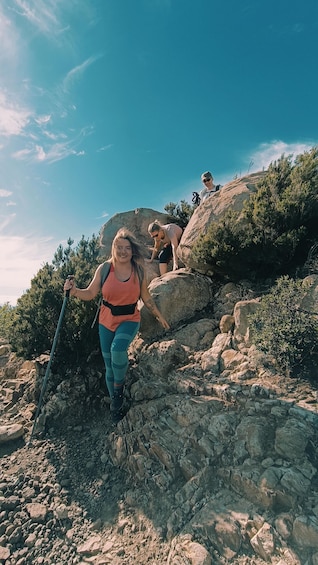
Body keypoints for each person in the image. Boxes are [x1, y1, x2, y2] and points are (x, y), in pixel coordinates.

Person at [63, 228, 170, 424]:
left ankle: (119, 392)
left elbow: (145, 297)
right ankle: (115, 406)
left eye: (127, 248)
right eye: (119, 247)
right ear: (113, 248)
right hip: (106, 321)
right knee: (109, 368)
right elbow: (90, 293)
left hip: (129, 319)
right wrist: (74, 292)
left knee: (118, 349)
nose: (123, 251)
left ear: (132, 250)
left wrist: (158, 316)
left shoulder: (138, 270)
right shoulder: (104, 269)